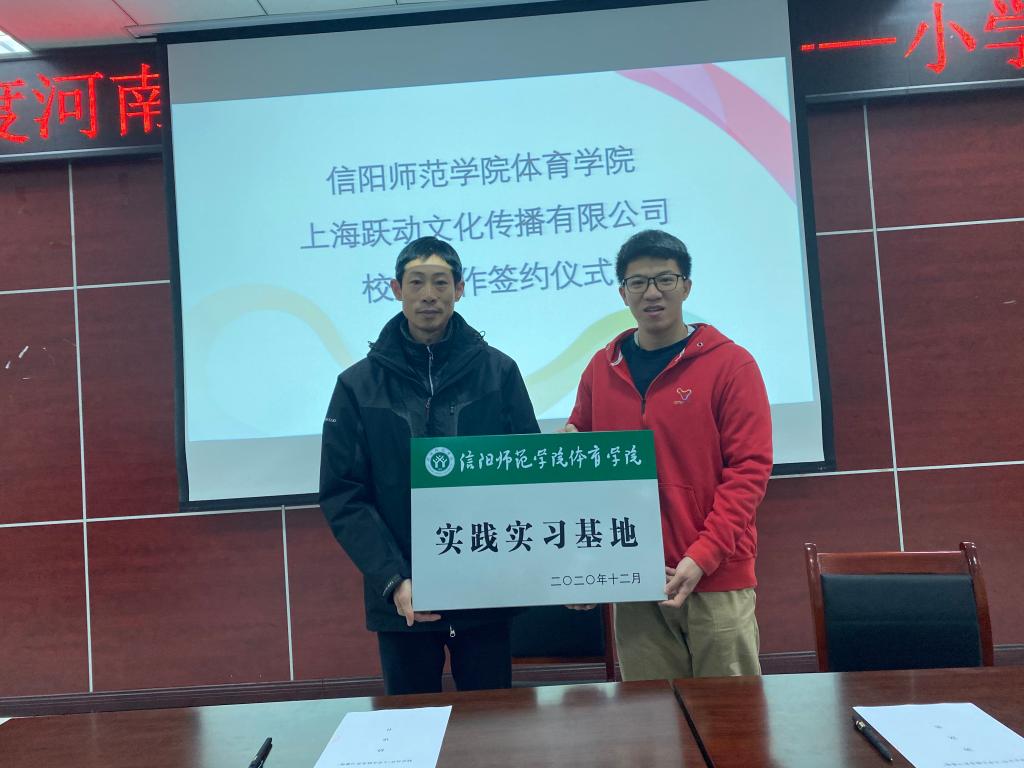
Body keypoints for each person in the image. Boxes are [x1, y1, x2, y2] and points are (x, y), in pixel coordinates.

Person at [319, 236, 539, 695]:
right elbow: (344, 493)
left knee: (493, 724)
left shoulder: (499, 373)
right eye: (416, 282)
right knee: (409, 723)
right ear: (396, 289)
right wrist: (393, 579)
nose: (428, 295)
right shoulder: (358, 385)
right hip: (404, 596)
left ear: (459, 289)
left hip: (486, 588)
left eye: (441, 282)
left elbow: (528, 474)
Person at [564, 229, 772, 680]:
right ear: (623, 293)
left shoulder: (731, 365)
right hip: (635, 583)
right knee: (652, 718)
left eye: (665, 279)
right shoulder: (601, 369)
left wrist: (704, 555)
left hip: (715, 577)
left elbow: (749, 471)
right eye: (638, 282)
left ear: (686, 286)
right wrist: (585, 567)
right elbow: (581, 466)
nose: (652, 292)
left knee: (730, 717)